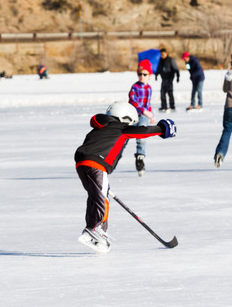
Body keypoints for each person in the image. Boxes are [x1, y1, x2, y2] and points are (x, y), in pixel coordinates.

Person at [74, 101, 176, 253]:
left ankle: (97, 231)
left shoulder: (100, 128)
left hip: (81, 163)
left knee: (96, 198)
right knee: (102, 199)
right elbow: (142, 131)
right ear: (126, 118)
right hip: (97, 164)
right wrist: (161, 129)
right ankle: (94, 228)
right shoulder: (120, 127)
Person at [129, 60, 154, 176]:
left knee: (141, 136)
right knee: (124, 137)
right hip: (133, 115)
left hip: (144, 116)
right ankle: (113, 159)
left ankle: (140, 158)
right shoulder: (135, 87)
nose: (142, 77)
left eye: (145, 74)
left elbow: (148, 104)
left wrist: (151, 114)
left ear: (149, 76)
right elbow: (133, 101)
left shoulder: (149, 88)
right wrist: (144, 111)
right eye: (140, 74)